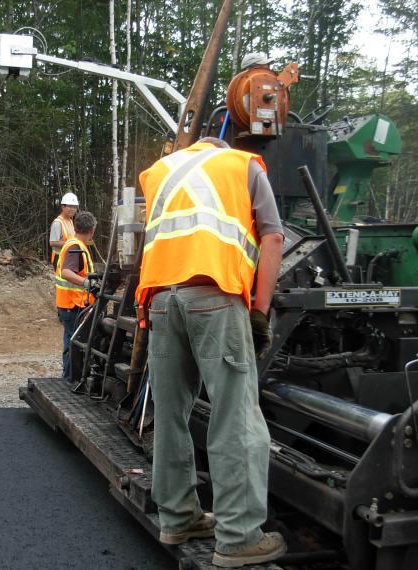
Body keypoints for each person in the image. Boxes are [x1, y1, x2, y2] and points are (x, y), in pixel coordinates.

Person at [135, 137, 285, 568]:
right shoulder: (243, 166)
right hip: (216, 297)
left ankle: (177, 516)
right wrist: (259, 311)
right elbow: (272, 239)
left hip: (163, 301)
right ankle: (238, 539)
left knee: (169, 412)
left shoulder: (158, 173)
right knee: (234, 416)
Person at [55, 211, 96, 385]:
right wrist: (88, 284)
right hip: (73, 305)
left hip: (69, 303)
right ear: (92, 230)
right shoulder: (75, 246)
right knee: (75, 343)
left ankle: (69, 378)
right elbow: (66, 272)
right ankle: (71, 380)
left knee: (71, 340)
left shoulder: (74, 244)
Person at [49, 192, 79, 267]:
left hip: (69, 257)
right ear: (63, 207)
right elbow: (52, 242)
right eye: (70, 206)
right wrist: (72, 244)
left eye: (75, 207)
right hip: (60, 258)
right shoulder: (57, 223)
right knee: (62, 279)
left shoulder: (70, 221)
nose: (73, 209)